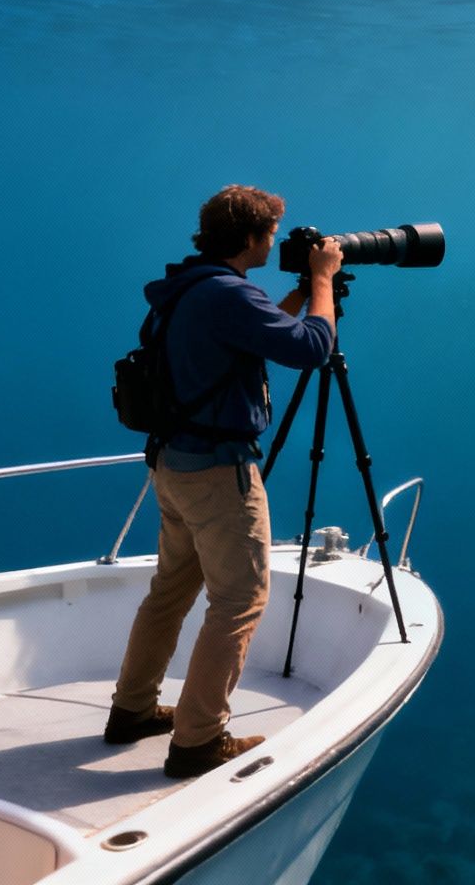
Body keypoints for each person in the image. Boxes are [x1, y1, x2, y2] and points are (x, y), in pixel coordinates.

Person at [102, 184, 343, 778]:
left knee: (171, 591)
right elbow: (314, 347)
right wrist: (322, 283)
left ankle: (131, 710)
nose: (276, 242)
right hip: (216, 473)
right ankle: (198, 741)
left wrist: (284, 303)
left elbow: (222, 346)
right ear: (250, 239)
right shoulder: (228, 296)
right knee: (238, 599)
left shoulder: (184, 289)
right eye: (271, 233)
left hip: (172, 465)